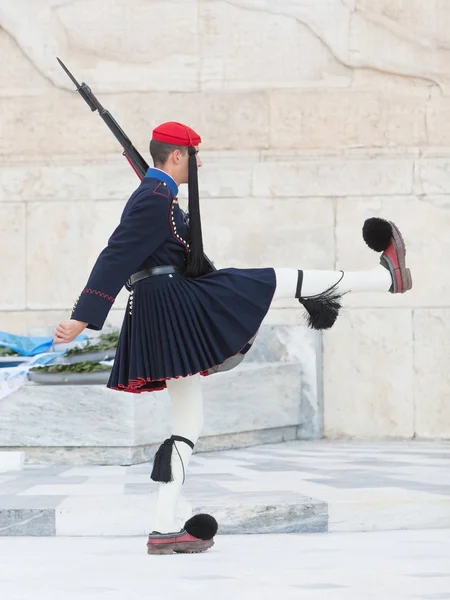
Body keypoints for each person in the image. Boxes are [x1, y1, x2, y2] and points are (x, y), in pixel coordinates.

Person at [54, 121, 412, 555]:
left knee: (188, 425)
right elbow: (115, 254)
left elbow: (164, 246)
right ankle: (384, 278)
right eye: (196, 155)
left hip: (162, 308)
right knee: (269, 279)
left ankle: (164, 529)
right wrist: (82, 316)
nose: (201, 163)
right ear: (177, 156)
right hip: (172, 305)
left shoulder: (159, 195)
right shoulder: (153, 196)